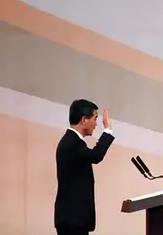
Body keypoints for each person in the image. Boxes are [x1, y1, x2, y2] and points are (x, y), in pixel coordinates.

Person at [54, 99, 115, 235]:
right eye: (95, 118)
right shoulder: (72, 143)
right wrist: (107, 131)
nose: (95, 124)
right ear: (84, 120)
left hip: (74, 218)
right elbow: (95, 156)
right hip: (72, 218)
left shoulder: (73, 141)